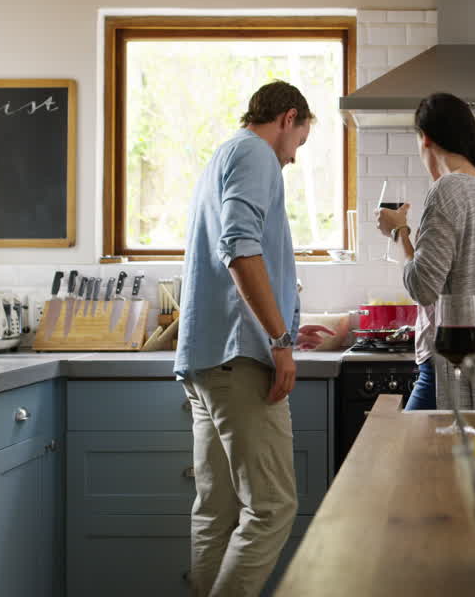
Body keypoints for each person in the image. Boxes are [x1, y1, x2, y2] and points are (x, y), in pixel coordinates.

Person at [176, 80, 333, 597]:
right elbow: (241, 249)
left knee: (215, 512)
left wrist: (286, 318)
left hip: (207, 360)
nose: (292, 160)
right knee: (272, 508)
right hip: (240, 359)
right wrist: (280, 338)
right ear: (289, 118)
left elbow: (235, 252)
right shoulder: (257, 154)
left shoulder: (224, 154)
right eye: (300, 144)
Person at [375, 92, 475, 411]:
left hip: (449, 367)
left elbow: (423, 287)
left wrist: (399, 230)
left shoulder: (448, 188)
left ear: (425, 138)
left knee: (408, 458)